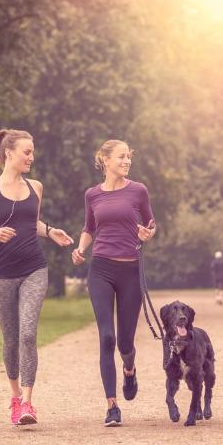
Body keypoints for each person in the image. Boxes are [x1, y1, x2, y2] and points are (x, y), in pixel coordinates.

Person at [0, 128, 74, 425]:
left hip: (34, 268)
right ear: (8, 153)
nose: (31, 156)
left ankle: (27, 403)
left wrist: (50, 231)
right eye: (27, 151)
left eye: (32, 151)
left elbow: (31, 222)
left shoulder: (36, 187)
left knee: (28, 334)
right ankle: (14, 398)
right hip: (0, 274)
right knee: (11, 338)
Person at [71, 140, 156, 427]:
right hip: (101, 270)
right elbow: (89, 228)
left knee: (125, 342)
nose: (126, 161)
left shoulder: (138, 190)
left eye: (129, 157)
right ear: (105, 160)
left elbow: (151, 222)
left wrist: (147, 234)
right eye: (121, 157)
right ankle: (111, 406)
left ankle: (129, 369)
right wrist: (81, 249)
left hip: (130, 271)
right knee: (106, 337)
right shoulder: (92, 195)